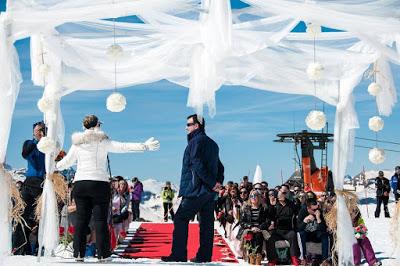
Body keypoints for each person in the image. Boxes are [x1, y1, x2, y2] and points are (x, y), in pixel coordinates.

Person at [56, 114, 159, 262]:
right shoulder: (103, 141)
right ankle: (103, 254)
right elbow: (123, 147)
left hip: (80, 183)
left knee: (81, 220)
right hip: (99, 183)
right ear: (97, 125)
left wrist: (54, 166)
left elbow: (66, 162)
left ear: (84, 126)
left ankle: (78, 254)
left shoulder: (77, 143)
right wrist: (144, 146)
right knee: (100, 220)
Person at [162, 114, 224, 263]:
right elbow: (220, 167)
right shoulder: (213, 144)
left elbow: (196, 164)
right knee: (207, 223)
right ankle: (204, 256)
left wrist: (211, 183)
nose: (186, 127)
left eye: (188, 124)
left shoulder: (196, 141)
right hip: (209, 192)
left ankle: (178, 255)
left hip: (196, 189)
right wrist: (217, 184)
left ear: (197, 126)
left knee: (180, 218)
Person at [12, 121, 46, 255]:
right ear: (34, 132)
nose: (41, 132)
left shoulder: (48, 145)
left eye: (42, 130)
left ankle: (37, 247)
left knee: (38, 217)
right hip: (29, 183)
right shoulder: (29, 143)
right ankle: (19, 247)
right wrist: (37, 140)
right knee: (22, 215)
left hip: (42, 184)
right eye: (38, 130)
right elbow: (25, 153)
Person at [266, 189, 300, 266]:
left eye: (284, 193)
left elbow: (297, 212)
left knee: (293, 235)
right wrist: (272, 206)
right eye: (280, 193)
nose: (282, 195)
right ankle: (272, 260)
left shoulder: (291, 204)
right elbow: (270, 217)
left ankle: (294, 257)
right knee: (270, 238)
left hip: (288, 230)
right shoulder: (275, 204)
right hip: (278, 230)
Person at [297, 198, 329, 262]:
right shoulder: (302, 211)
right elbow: (299, 228)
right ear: (308, 208)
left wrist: (318, 218)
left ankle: (325, 260)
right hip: (306, 234)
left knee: (324, 235)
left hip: (316, 234)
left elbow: (323, 229)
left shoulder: (319, 212)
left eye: (316, 209)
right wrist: (305, 221)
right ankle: (303, 258)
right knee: (301, 234)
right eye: (314, 210)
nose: (316, 211)